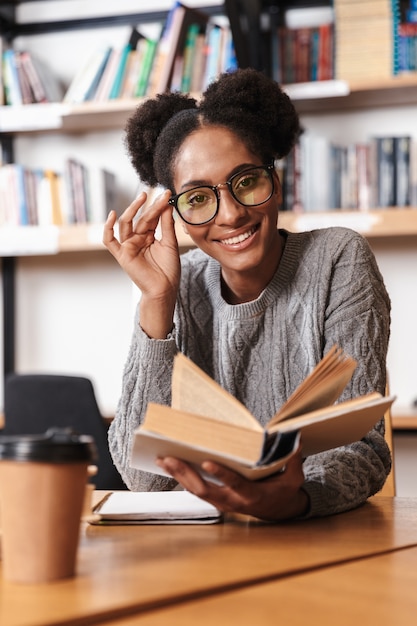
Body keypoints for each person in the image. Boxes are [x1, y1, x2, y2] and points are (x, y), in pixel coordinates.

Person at [103, 68, 391, 521]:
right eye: (198, 197)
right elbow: (145, 479)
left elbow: (361, 445)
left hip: (314, 534)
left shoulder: (338, 258)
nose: (233, 214)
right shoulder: (177, 283)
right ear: (173, 213)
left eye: (246, 181)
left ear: (274, 180)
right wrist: (156, 300)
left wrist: (293, 500)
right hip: (205, 542)